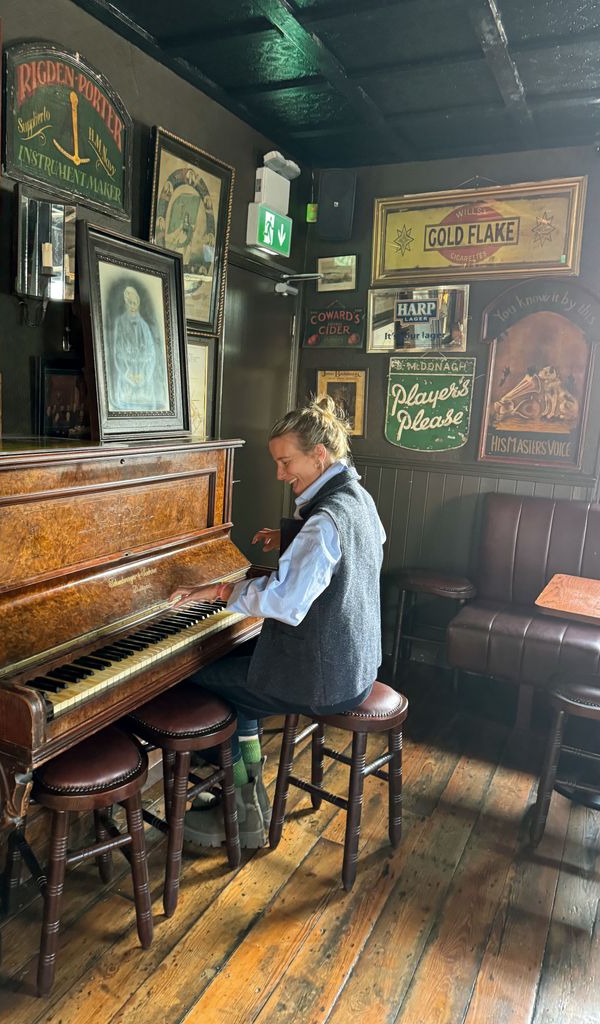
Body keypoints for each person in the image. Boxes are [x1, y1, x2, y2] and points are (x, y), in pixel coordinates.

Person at [169, 395, 386, 848]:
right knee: (239, 672)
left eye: (287, 462)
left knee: (191, 678)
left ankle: (239, 810)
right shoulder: (357, 499)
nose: (280, 474)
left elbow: (286, 603)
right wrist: (290, 539)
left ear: (319, 455)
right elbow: (351, 555)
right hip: (359, 666)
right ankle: (248, 802)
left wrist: (219, 592)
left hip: (325, 680)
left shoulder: (326, 520)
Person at [109, 285, 167, 411]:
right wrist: (128, 373)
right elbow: (118, 353)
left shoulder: (145, 326)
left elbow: (151, 354)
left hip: (145, 389)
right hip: (126, 389)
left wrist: (144, 374)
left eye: (135, 303)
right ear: (125, 303)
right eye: (130, 303)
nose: (133, 306)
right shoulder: (120, 323)